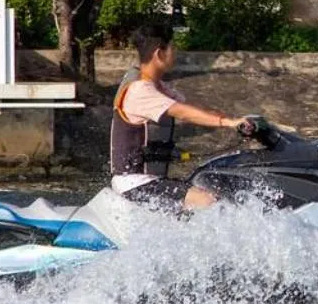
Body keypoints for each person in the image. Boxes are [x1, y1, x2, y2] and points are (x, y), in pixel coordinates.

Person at [112, 22, 264, 209]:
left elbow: (191, 107)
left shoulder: (157, 86)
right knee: (209, 202)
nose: (175, 53)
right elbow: (183, 113)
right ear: (159, 54)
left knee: (211, 186)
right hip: (134, 184)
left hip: (151, 181)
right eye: (172, 48)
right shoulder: (139, 90)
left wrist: (239, 121)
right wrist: (228, 122)